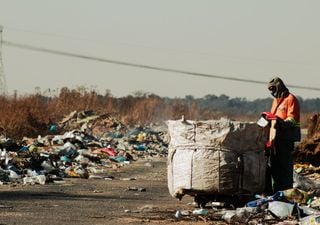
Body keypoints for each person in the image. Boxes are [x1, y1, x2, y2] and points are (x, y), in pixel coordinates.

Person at [265, 76, 301, 194]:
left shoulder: (291, 99)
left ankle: (286, 192)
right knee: (275, 167)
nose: (271, 91)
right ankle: (276, 193)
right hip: (275, 139)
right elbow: (273, 117)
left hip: (286, 139)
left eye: (273, 88)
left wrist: (282, 123)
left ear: (279, 86)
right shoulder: (276, 101)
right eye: (270, 89)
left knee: (284, 167)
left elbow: (292, 119)